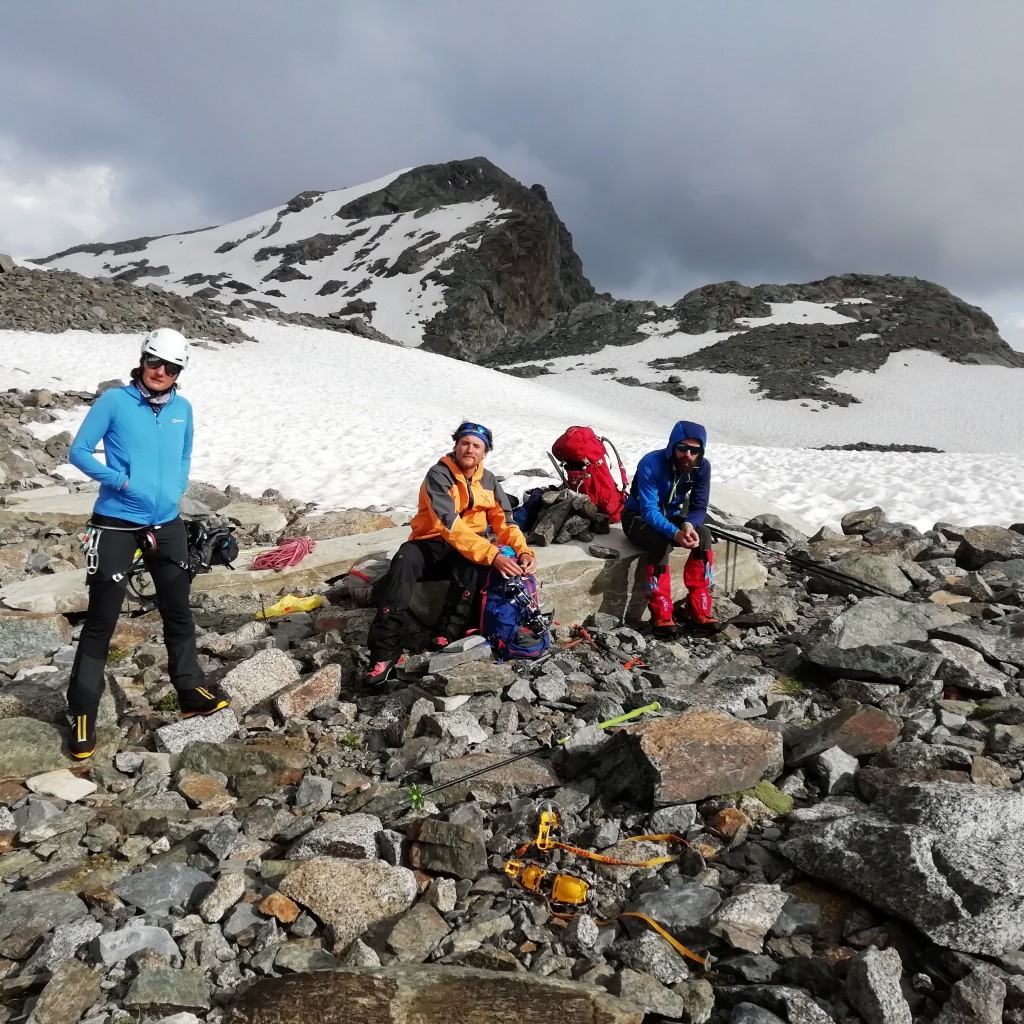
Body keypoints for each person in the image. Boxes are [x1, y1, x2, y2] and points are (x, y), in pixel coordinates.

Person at [65, 328, 228, 759]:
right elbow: (79, 451)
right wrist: (120, 482)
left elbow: (184, 454)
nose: (161, 372)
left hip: (167, 523)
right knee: (101, 619)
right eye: (155, 363)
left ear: (180, 371)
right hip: (116, 522)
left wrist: (176, 485)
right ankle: (81, 715)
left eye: (172, 367)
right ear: (142, 360)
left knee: (178, 608)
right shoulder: (115, 401)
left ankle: (190, 690)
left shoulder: (183, 409)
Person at [364, 421, 537, 686]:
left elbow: (505, 522)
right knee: (405, 559)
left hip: (466, 547)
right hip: (430, 543)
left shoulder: (488, 481)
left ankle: (446, 634)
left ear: (485, 452)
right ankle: (384, 651)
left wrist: (523, 550)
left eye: (476, 446)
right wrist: (491, 554)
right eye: (465, 443)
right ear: (456, 446)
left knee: (470, 563)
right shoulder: (439, 474)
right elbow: (449, 523)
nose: (470, 449)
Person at [621, 420, 717, 638]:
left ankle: (698, 605)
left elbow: (699, 506)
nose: (688, 455)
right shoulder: (651, 463)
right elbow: (648, 509)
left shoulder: (702, 467)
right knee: (659, 540)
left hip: (672, 515)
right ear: (673, 445)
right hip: (636, 517)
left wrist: (688, 525)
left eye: (695, 450)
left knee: (704, 534)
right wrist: (675, 533)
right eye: (682, 448)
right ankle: (660, 610)